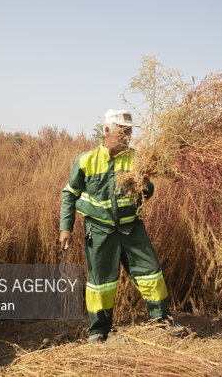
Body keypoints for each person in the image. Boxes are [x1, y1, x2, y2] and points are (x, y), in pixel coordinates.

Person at [59, 109, 180, 343]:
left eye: (130, 131)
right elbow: (69, 193)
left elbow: (149, 192)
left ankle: (162, 320)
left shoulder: (136, 159)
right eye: (122, 131)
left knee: (151, 274)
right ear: (107, 130)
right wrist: (66, 228)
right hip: (100, 231)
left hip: (131, 229)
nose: (127, 136)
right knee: (100, 283)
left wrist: (144, 183)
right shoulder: (86, 160)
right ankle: (98, 330)